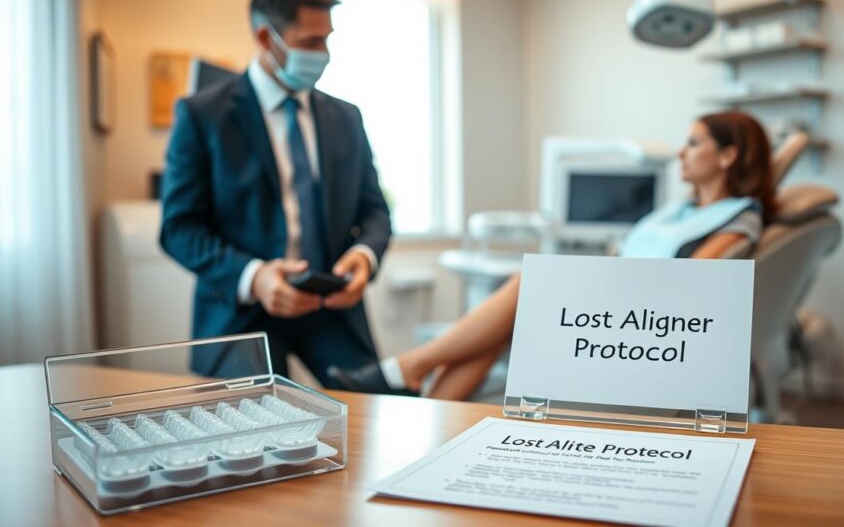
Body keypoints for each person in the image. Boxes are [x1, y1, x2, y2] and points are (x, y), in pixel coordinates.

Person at [328, 111, 775, 399]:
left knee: (529, 284)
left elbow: (696, 283)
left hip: (647, 325)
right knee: (507, 321)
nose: (682, 151)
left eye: (695, 143)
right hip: (622, 303)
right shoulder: (682, 212)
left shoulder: (739, 218)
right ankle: (423, 401)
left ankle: (408, 368)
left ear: (728, 155)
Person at [160, 0, 391, 385]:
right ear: (266, 38)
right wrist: (255, 277)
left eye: (327, 39)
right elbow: (179, 229)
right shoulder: (202, 116)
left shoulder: (346, 117)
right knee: (251, 436)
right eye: (310, 42)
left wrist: (365, 256)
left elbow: (374, 211)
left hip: (333, 306)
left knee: (379, 411)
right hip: (239, 314)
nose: (324, 53)